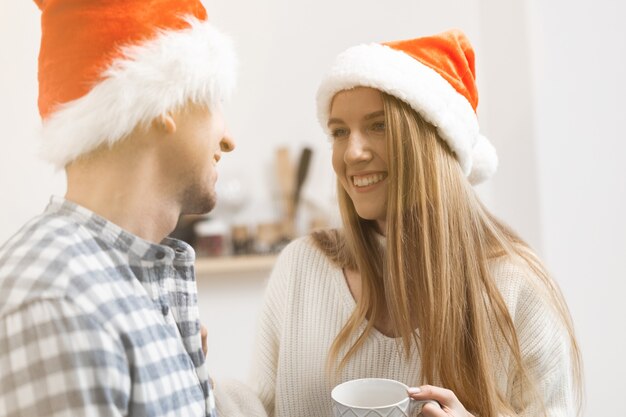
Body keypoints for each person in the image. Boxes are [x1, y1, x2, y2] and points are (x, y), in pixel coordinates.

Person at [252, 30, 583, 417]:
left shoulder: (516, 288)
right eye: (339, 132)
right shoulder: (301, 267)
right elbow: (257, 408)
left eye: (378, 126)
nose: (352, 152)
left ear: (432, 143)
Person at [0, 1, 264, 416]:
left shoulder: (122, 288)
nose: (228, 138)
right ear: (163, 103)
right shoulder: (60, 302)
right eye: (214, 101)